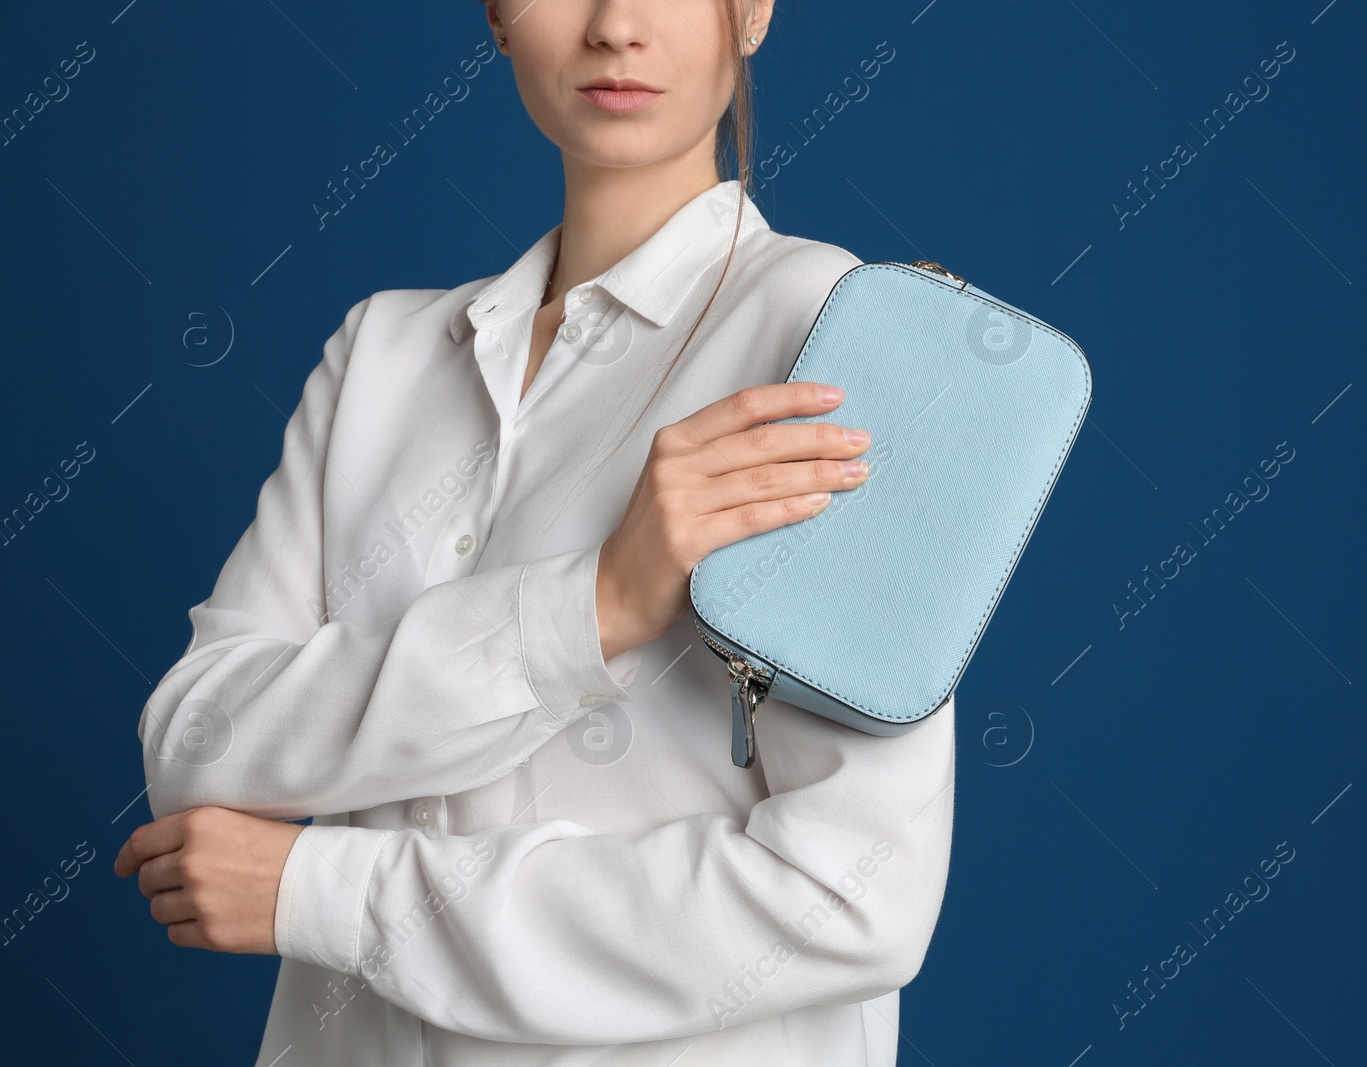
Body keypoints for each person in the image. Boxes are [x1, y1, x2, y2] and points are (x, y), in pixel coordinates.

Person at [114, 1, 955, 1063]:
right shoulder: (382, 354)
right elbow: (196, 746)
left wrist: (325, 890)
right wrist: (592, 606)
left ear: (752, 11)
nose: (615, 26)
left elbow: (846, 892)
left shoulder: (843, 346)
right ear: (498, 16)